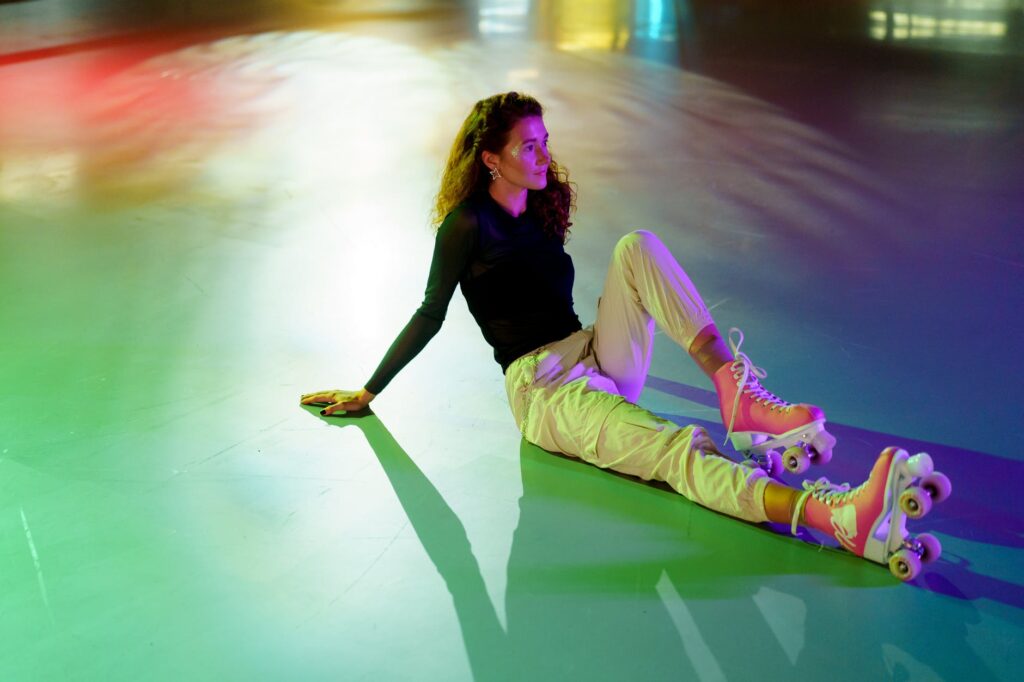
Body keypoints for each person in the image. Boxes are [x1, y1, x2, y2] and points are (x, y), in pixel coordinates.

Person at [301, 92, 948, 580]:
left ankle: (736, 394)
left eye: (544, 141)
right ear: (490, 158)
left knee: (637, 246)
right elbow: (430, 313)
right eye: (527, 146)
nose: (542, 156)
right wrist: (368, 389)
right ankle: (836, 520)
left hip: (590, 351)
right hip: (544, 389)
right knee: (676, 449)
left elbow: (568, 296)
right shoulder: (466, 226)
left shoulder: (542, 201)